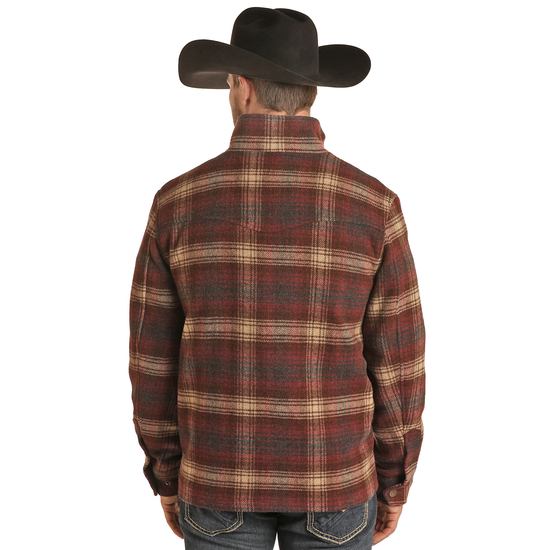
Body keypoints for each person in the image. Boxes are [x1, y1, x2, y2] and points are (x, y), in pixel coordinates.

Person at [129, 7, 425, 549]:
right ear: (311, 92)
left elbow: (152, 360)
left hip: (216, 481)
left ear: (241, 88)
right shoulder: (373, 204)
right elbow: (399, 364)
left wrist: (166, 473)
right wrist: (395, 479)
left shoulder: (176, 203)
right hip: (335, 481)